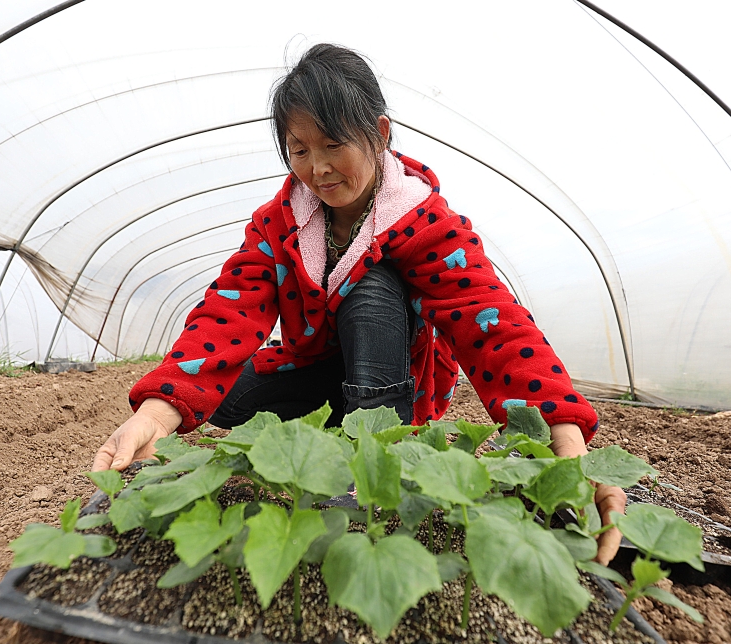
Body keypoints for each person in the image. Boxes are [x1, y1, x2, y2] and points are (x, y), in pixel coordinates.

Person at [93, 43, 626, 564]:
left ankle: (372, 456)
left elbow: (490, 320)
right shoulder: (279, 221)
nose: (318, 168)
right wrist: (158, 414)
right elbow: (232, 307)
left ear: (379, 134)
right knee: (228, 400)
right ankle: (338, 421)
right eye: (299, 150)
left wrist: (564, 434)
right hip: (319, 364)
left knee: (372, 285)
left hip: (391, 377)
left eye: (332, 145)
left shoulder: (425, 222)